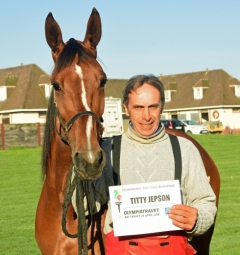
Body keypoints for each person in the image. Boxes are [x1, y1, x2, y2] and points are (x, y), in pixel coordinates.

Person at [89, 74, 217, 254]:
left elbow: (205, 202)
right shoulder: (107, 150)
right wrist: (81, 165)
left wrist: (198, 219)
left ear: (162, 107)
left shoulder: (185, 149)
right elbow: (87, 205)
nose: (146, 116)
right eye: (138, 107)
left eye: (153, 107)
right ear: (126, 108)